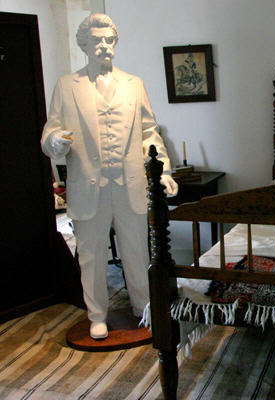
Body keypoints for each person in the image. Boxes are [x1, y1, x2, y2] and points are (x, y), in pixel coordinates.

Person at [40, 13, 178, 340]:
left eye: (109, 40)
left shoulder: (134, 84)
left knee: (137, 252)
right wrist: (54, 141)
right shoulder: (66, 86)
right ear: (85, 45)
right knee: (91, 257)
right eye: (97, 41)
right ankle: (97, 315)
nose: (104, 46)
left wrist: (165, 171)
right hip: (87, 187)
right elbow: (50, 131)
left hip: (129, 185)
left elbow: (149, 132)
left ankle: (142, 308)